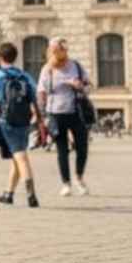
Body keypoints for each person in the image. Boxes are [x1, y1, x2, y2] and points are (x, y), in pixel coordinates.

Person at [0, 42, 46, 208]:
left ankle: (31, 194)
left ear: (0, 57)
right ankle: (8, 194)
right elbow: (35, 93)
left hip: (5, 119)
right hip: (24, 119)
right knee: (17, 155)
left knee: (20, 156)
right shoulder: (23, 75)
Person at [38, 38, 92, 196]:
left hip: (76, 112)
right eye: (54, 51)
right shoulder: (47, 69)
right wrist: (43, 114)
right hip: (55, 113)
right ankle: (66, 183)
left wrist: (79, 86)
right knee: (62, 150)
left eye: (61, 50)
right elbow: (41, 92)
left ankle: (79, 178)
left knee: (82, 147)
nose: (58, 54)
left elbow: (89, 86)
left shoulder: (76, 66)